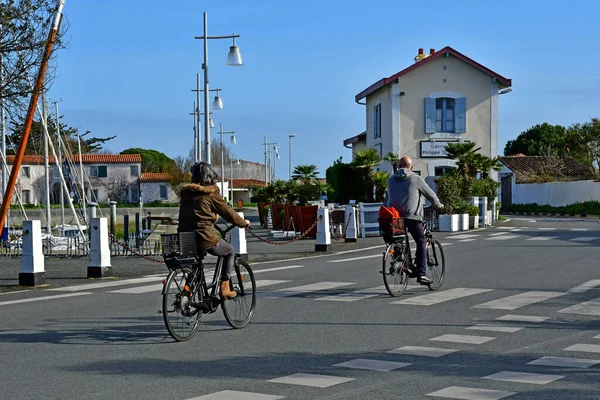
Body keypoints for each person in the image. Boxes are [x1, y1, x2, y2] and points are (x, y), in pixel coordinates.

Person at [177, 162, 250, 299]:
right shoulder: (210, 194)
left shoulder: (185, 195)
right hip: (204, 236)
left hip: (185, 237)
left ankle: (188, 291)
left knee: (195, 264)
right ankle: (225, 289)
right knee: (229, 251)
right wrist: (242, 223)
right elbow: (228, 213)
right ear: (210, 177)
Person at [385, 156, 444, 285]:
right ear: (411, 168)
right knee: (421, 241)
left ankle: (400, 261)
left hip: (395, 218)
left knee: (398, 240)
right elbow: (431, 195)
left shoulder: (390, 180)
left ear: (398, 167)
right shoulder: (416, 179)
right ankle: (421, 274)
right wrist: (439, 206)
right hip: (412, 216)